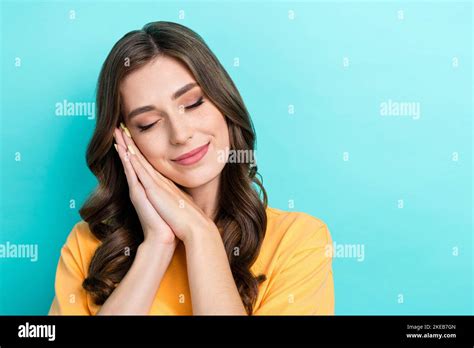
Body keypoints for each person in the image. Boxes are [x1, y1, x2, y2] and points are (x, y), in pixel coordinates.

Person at [48, 21, 334, 315]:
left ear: (223, 100)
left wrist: (200, 234)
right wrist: (157, 246)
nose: (180, 134)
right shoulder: (87, 245)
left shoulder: (299, 241)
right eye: (149, 123)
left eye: (194, 103)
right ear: (124, 139)